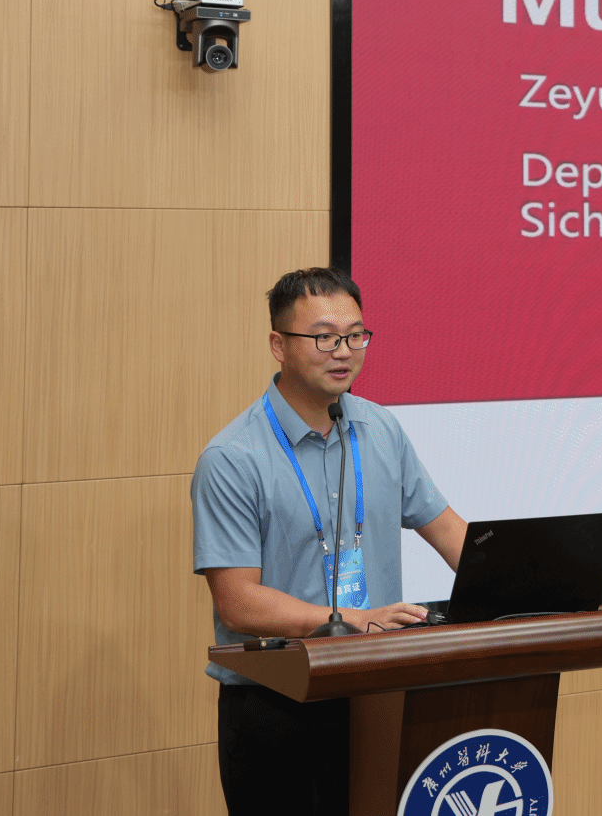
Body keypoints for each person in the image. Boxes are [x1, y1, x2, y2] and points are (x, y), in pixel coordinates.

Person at [192, 267, 468, 814]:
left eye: (355, 335)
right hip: (278, 705)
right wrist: (354, 619)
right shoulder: (232, 458)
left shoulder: (381, 429)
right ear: (279, 345)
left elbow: (448, 530)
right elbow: (238, 601)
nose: (343, 352)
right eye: (324, 337)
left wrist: (521, 586)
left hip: (376, 697)